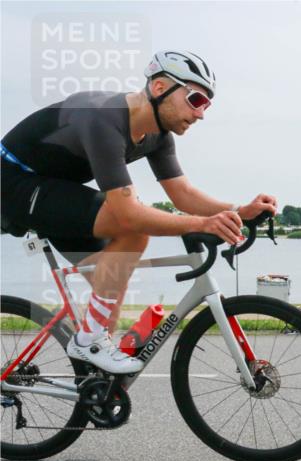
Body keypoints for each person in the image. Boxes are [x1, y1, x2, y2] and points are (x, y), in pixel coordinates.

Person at [1, 50, 277, 374]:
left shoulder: (158, 135)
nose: (201, 113)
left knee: (110, 291)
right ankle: (88, 342)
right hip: (14, 183)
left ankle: (96, 388)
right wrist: (203, 223)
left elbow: (183, 194)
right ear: (160, 87)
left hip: (57, 190)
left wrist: (238, 210)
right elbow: (129, 215)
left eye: (207, 105)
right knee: (132, 230)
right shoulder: (104, 118)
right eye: (196, 99)